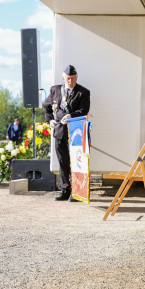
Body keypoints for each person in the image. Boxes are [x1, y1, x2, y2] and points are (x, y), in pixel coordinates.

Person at [43, 65, 91, 201]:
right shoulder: (55, 89)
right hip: (59, 131)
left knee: (77, 162)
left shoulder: (83, 92)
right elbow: (47, 106)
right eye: (68, 78)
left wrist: (71, 116)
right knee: (63, 162)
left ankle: (77, 192)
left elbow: (84, 110)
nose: (70, 81)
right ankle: (65, 189)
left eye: (73, 78)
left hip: (76, 133)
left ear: (76, 78)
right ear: (63, 78)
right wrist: (50, 120)